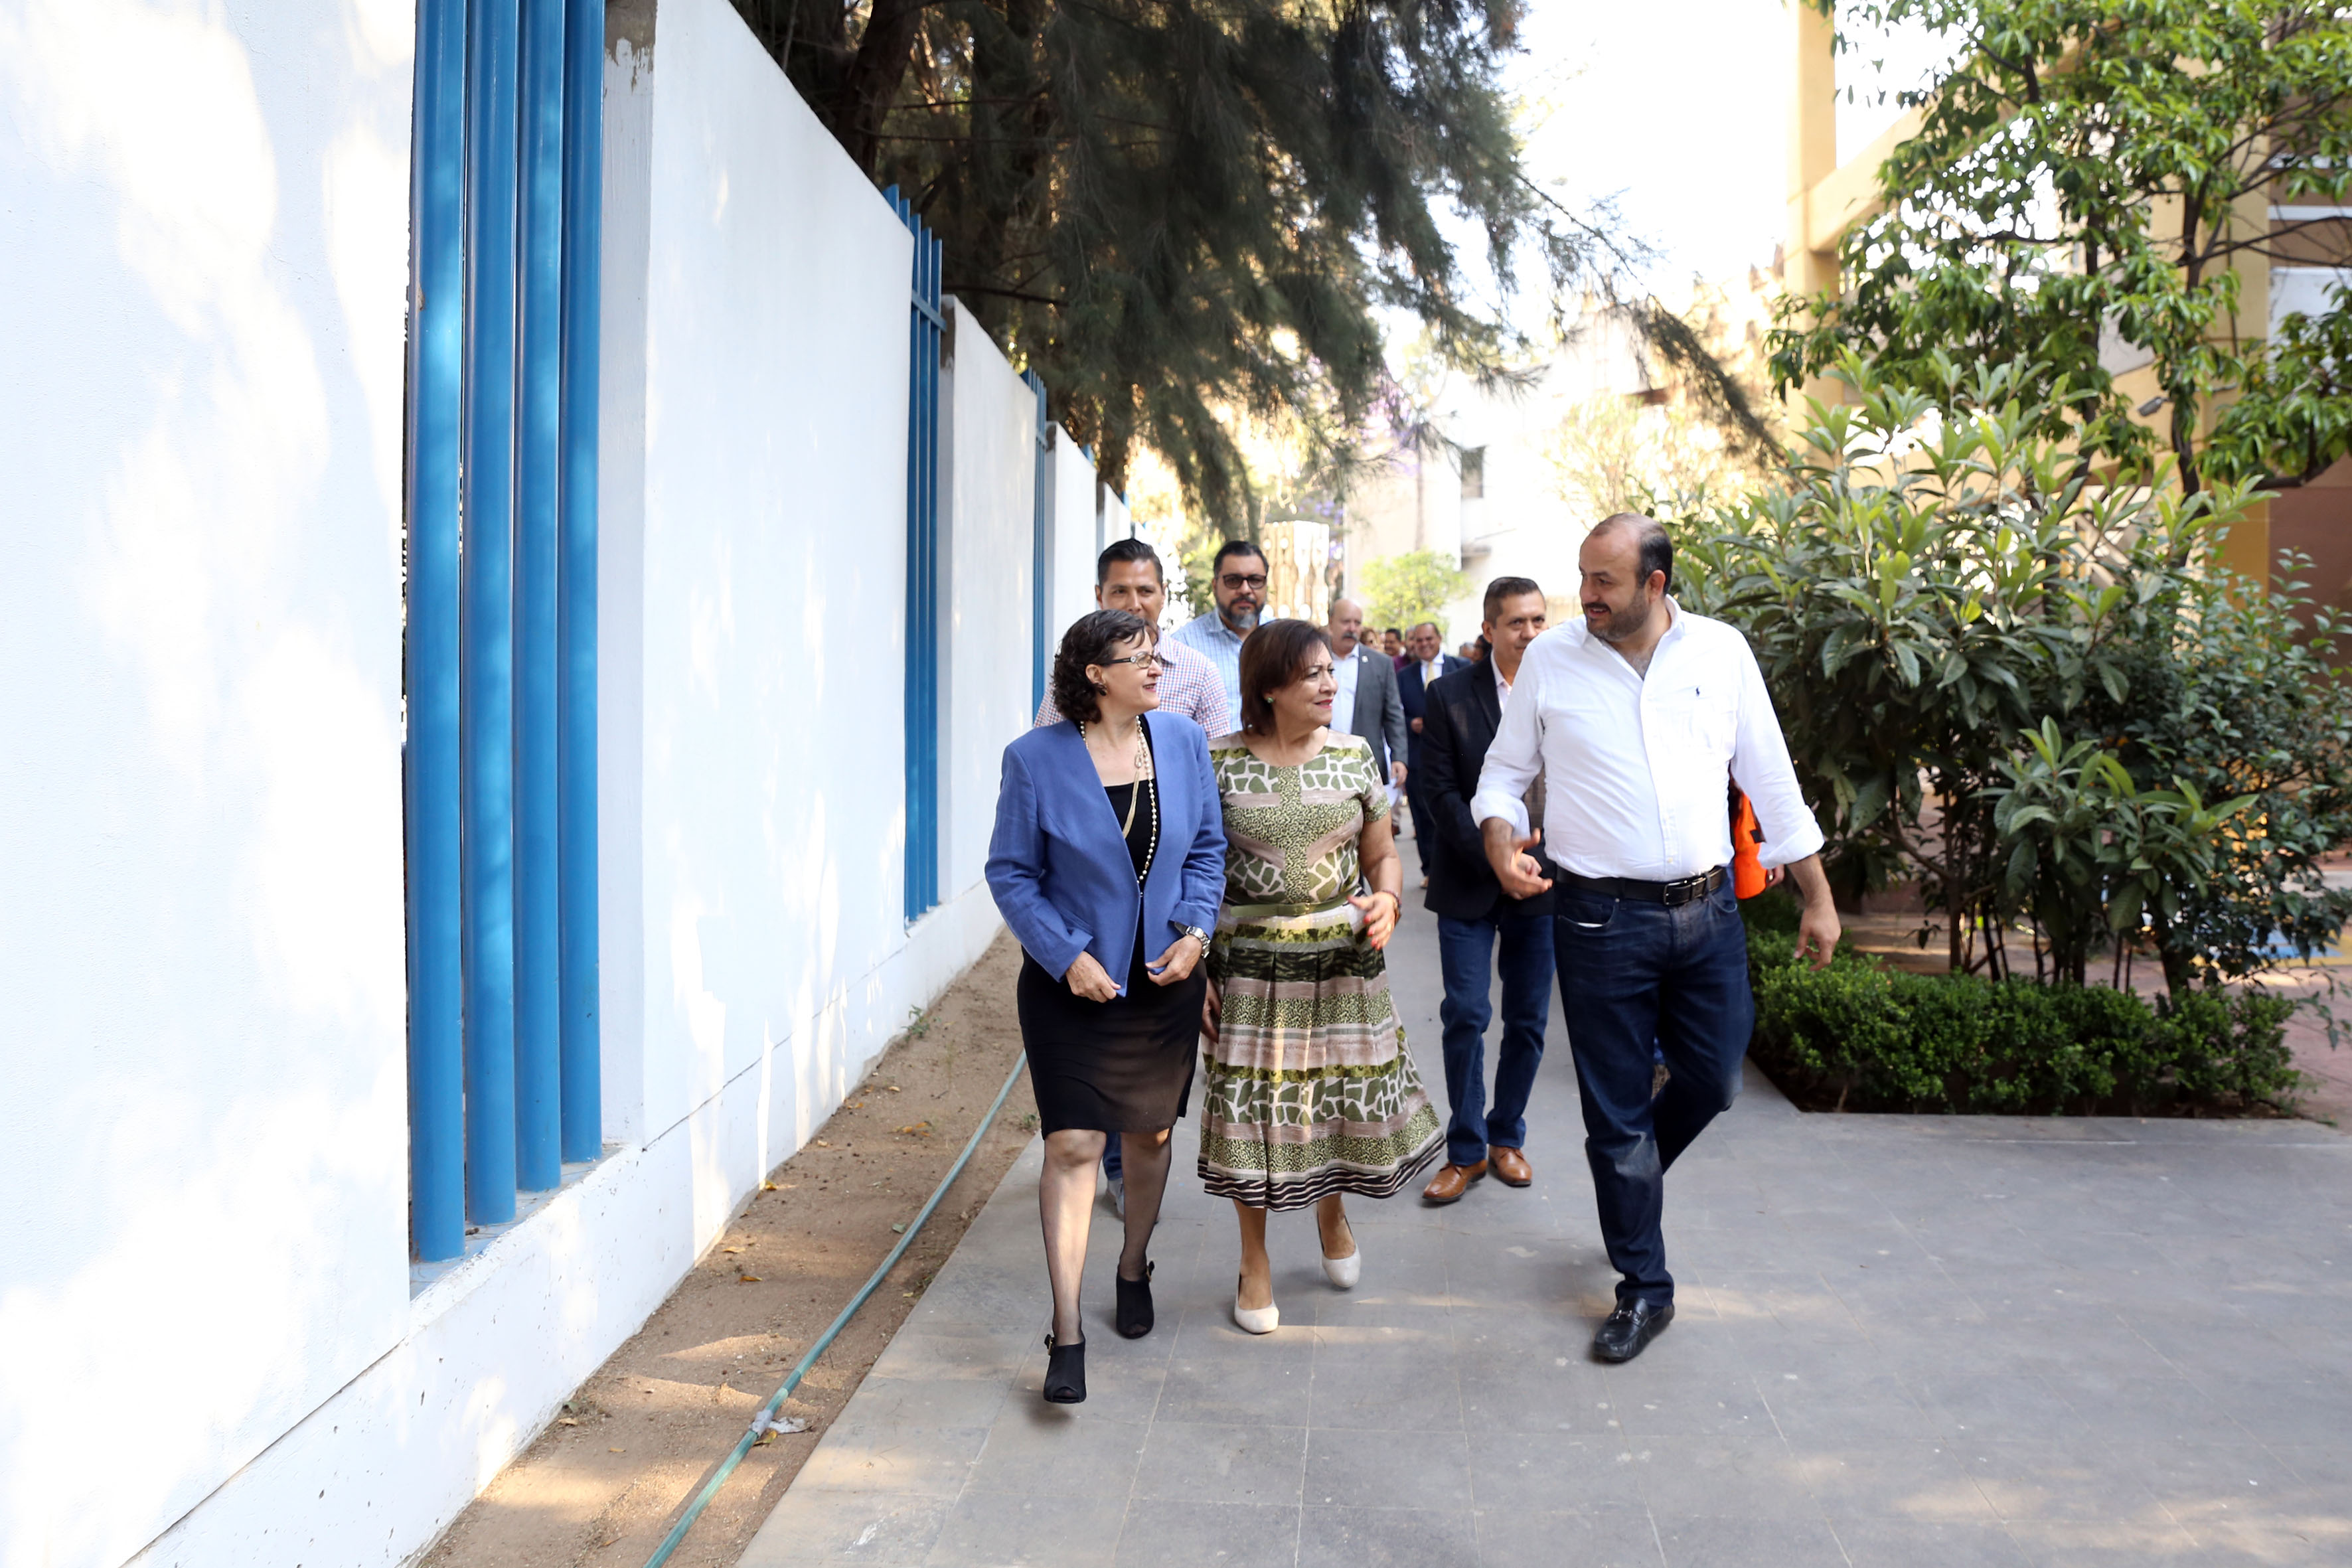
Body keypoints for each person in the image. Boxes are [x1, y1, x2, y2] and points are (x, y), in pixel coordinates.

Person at [1472, 514, 1839, 1364]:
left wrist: (1818, 896)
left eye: (1603, 580)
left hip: (1709, 915)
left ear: (1655, 583)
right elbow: (1504, 773)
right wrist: (1499, 840)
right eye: (1582, 577)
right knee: (1617, 1114)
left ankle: (1627, 1179)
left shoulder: (1721, 653)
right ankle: (1645, 1286)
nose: (1585, 596)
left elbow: (1771, 779)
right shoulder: (1552, 660)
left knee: (1715, 1079)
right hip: (1598, 919)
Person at [985, 610, 1227, 1403]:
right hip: (1072, 986)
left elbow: (1207, 851)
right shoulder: (1034, 758)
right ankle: (1066, 1330)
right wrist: (1066, 955)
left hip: (1163, 977)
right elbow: (1011, 873)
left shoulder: (1183, 743)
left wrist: (1195, 931)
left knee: (1149, 1135)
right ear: (1095, 674)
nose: (1158, 668)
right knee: (1073, 1146)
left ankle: (1132, 1265)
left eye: (1158, 656)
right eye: (1140, 658)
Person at [1198, 619, 1443, 1334]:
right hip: (1248, 967)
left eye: (1331, 671)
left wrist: (1388, 899)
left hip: (1340, 963)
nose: (1331, 683)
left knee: (1330, 1102)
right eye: (1312, 674)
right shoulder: (1217, 762)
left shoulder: (1354, 754)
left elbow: (1382, 856)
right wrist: (1196, 967)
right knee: (1252, 1111)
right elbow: (1196, 871)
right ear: (1270, 688)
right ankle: (1253, 1259)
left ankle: (1331, 1214)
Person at [1035, 538, 1229, 1219]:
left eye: (1146, 591)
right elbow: (1050, 780)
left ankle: (1129, 1183)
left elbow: (1211, 803)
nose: (1135, 602)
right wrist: (1062, 938)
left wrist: (1198, 926)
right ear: (1101, 595)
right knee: (1089, 1102)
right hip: (1090, 920)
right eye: (1121, 591)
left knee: (1150, 1111)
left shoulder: (1195, 675)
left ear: (1162, 596)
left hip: (1170, 912)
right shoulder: (1074, 681)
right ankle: (1110, 1169)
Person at [1417, 578, 1555, 1204]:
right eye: (1516, 622)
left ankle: (1506, 1137)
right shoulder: (1449, 694)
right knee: (1467, 1014)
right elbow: (1439, 792)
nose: (1529, 633)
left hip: (1544, 879)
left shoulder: (1565, 689)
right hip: (1469, 878)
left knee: (1527, 1019)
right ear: (1489, 629)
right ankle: (1466, 1149)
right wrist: (1495, 858)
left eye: (1538, 620)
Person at [1167, 540, 1267, 733]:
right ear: (1215, 586)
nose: (1245, 590)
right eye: (1233, 580)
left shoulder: (1284, 642)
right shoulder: (1183, 645)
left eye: (1255, 580)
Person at [1395, 621, 1466, 884]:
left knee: (1456, 814)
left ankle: (1458, 868)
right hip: (1419, 757)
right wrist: (1410, 723)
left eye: (1429, 639)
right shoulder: (1404, 676)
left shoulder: (1461, 668)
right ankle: (1431, 871)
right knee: (1423, 817)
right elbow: (1394, 713)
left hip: (1456, 757)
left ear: (1439, 638)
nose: (1424, 644)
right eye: (1419, 640)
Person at [1324, 597, 1409, 791]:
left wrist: (1399, 757)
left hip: (1365, 763)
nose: (1352, 628)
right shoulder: (1313, 657)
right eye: (1346, 622)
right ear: (1331, 623)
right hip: (1321, 760)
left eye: (1357, 623)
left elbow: (1393, 714)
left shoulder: (1381, 664)